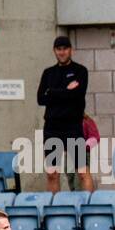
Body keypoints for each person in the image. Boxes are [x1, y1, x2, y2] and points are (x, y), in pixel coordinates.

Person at [37, 35, 93, 193]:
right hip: (53, 128)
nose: (62, 52)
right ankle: (54, 213)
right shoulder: (48, 73)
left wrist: (53, 93)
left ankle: (91, 211)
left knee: (82, 172)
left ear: (71, 50)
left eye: (65, 49)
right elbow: (41, 99)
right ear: (54, 51)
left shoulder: (80, 71)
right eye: (58, 49)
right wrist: (66, 91)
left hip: (73, 127)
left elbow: (77, 95)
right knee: (52, 174)